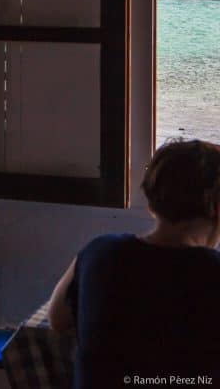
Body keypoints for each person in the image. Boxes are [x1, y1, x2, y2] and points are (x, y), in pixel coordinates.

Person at [47, 139, 220, 387]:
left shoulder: (99, 253)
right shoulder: (213, 272)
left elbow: (57, 319)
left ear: (151, 204)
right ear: (217, 208)